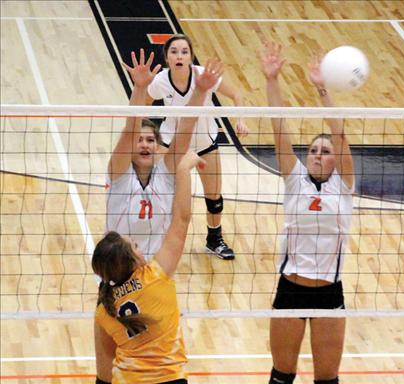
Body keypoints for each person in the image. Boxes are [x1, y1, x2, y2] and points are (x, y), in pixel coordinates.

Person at [259, 42, 355, 384]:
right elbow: (279, 128)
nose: (317, 154)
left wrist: (321, 89)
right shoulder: (296, 178)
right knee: (281, 376)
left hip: (329, 292)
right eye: (313, 150)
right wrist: (272, 80)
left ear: (335, 158)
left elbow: (340, 132)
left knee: (327, 379)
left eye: (324, 151)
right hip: (291, 289)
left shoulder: (343, 186)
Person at [94, 151, 205, 384]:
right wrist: (184, 170)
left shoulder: (104, 309)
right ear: (133, 261)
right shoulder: (155, 276)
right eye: (134, 245)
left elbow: (105, 362)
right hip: (171, 379)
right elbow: (181, 220)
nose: (139, 245)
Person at [106, 48, 223, 260]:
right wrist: (140, 88)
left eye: (151, 140)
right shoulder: (119, 174)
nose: (145, 145)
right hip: (119, 268)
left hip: (155, 271)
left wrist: (199, 91)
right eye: (139, 140)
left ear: (157, 146)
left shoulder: (165, 176)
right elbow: (131, 128)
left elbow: (186, 127)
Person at [146, 34, 249, 260]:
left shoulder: (204, 75)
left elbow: (237, 94)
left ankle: (215, 241)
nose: (179, 56)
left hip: (205, 143)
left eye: (184, 51)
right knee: (166, 196)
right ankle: (157, 240)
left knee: (214, 197)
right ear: (167, 58)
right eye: (174, 52)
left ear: (191, 56)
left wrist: (240, 119)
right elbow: (142, 104)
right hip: (173, 146)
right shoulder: (161, 81)